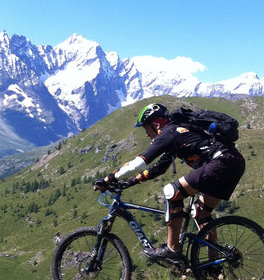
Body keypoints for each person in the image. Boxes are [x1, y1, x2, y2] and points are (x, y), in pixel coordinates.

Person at [93, 103, 245, 262]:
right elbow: (157, 168)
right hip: (233, 163)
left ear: (156, 123)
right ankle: (214, 265)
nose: (146, 134)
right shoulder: (177, 133)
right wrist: (131, 182)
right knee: (201, 214)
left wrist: (108, 179)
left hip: (221, 163)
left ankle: (173, 249)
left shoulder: (169, 132)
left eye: (146, 128)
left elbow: (139, 163)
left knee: (172, 192)